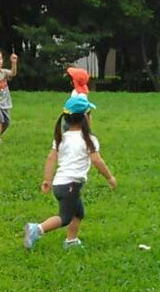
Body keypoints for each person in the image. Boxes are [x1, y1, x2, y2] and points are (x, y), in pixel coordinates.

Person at [24, 95, 116, 251]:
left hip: (62, 184)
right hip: (70, 185)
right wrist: (110, 177)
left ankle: (71, 241)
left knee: (78, 212)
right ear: (86, 118)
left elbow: (51, 158)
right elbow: (97, 161)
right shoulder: (89, 139)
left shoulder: (62, 138)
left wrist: (47, 179)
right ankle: (37, 229)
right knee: (65, 217)